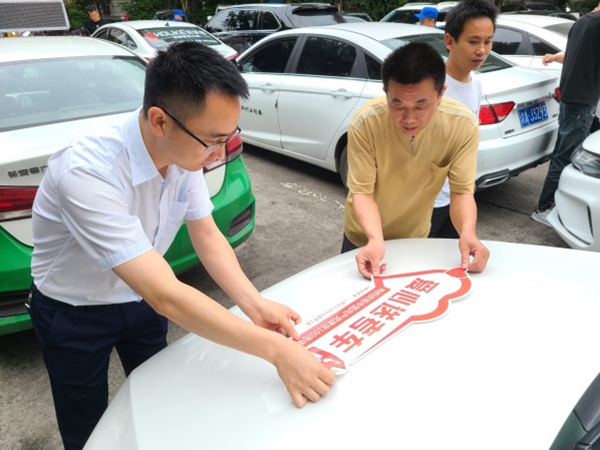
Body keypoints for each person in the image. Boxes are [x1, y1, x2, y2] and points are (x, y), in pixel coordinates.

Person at [28, 42, 335, 450]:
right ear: (159, 120)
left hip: (139, 304)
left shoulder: (182, 153)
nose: (218, 153)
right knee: (88, 423)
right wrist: (277, 351)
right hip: (75, 311)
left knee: (160, 395)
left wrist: (255, 304)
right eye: (212, 140)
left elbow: (207, 235)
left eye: (228, 137)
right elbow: (165, 295)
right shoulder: (87, 170)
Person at [341, 42, 490, 279]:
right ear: (386, 93)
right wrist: (375, 239)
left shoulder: (462, 125)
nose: (409, 118)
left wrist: (468, 233)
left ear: (441, 94)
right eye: (397, 104)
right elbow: (362, 193)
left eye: (421, 105)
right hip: (364, 237)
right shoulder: (365, 124)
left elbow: (461, 192)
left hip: (415, 236)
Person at [429, 0, 498, 238]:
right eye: (473, 41)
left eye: (488, 41)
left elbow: (468, 140)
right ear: (449, 41)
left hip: (459, 198)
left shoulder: (476, 84)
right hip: (428, 202)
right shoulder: (430, 87)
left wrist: (470, 181)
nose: (482, 50)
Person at [531, 7, 600, 226]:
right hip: (582, 100)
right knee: (567, 155)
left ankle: (559, 204)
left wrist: (555, 57)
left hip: (573, 96)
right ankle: (545, 207)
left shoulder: (583, 22)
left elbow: (574, 55)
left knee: (569, 153)